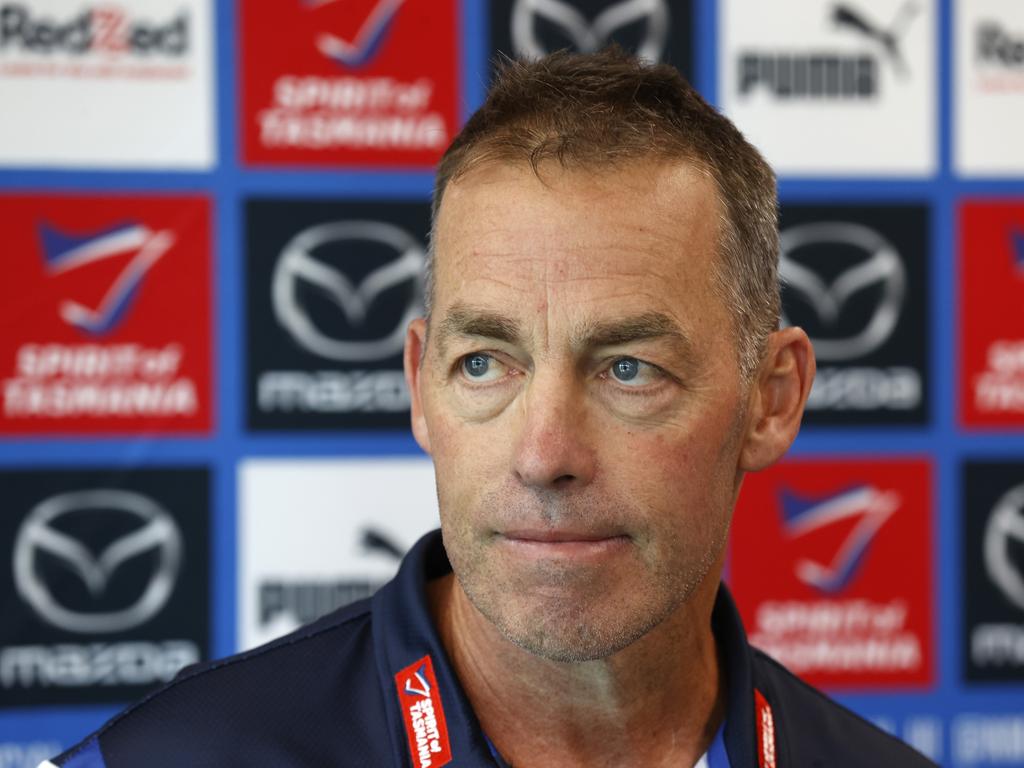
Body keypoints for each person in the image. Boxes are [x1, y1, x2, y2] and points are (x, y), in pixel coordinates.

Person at [44, 49, 936, 768]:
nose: (544, 452)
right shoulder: (173, 758)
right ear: (421, 385)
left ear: (770, 402)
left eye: (628, 368)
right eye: (484, 363)